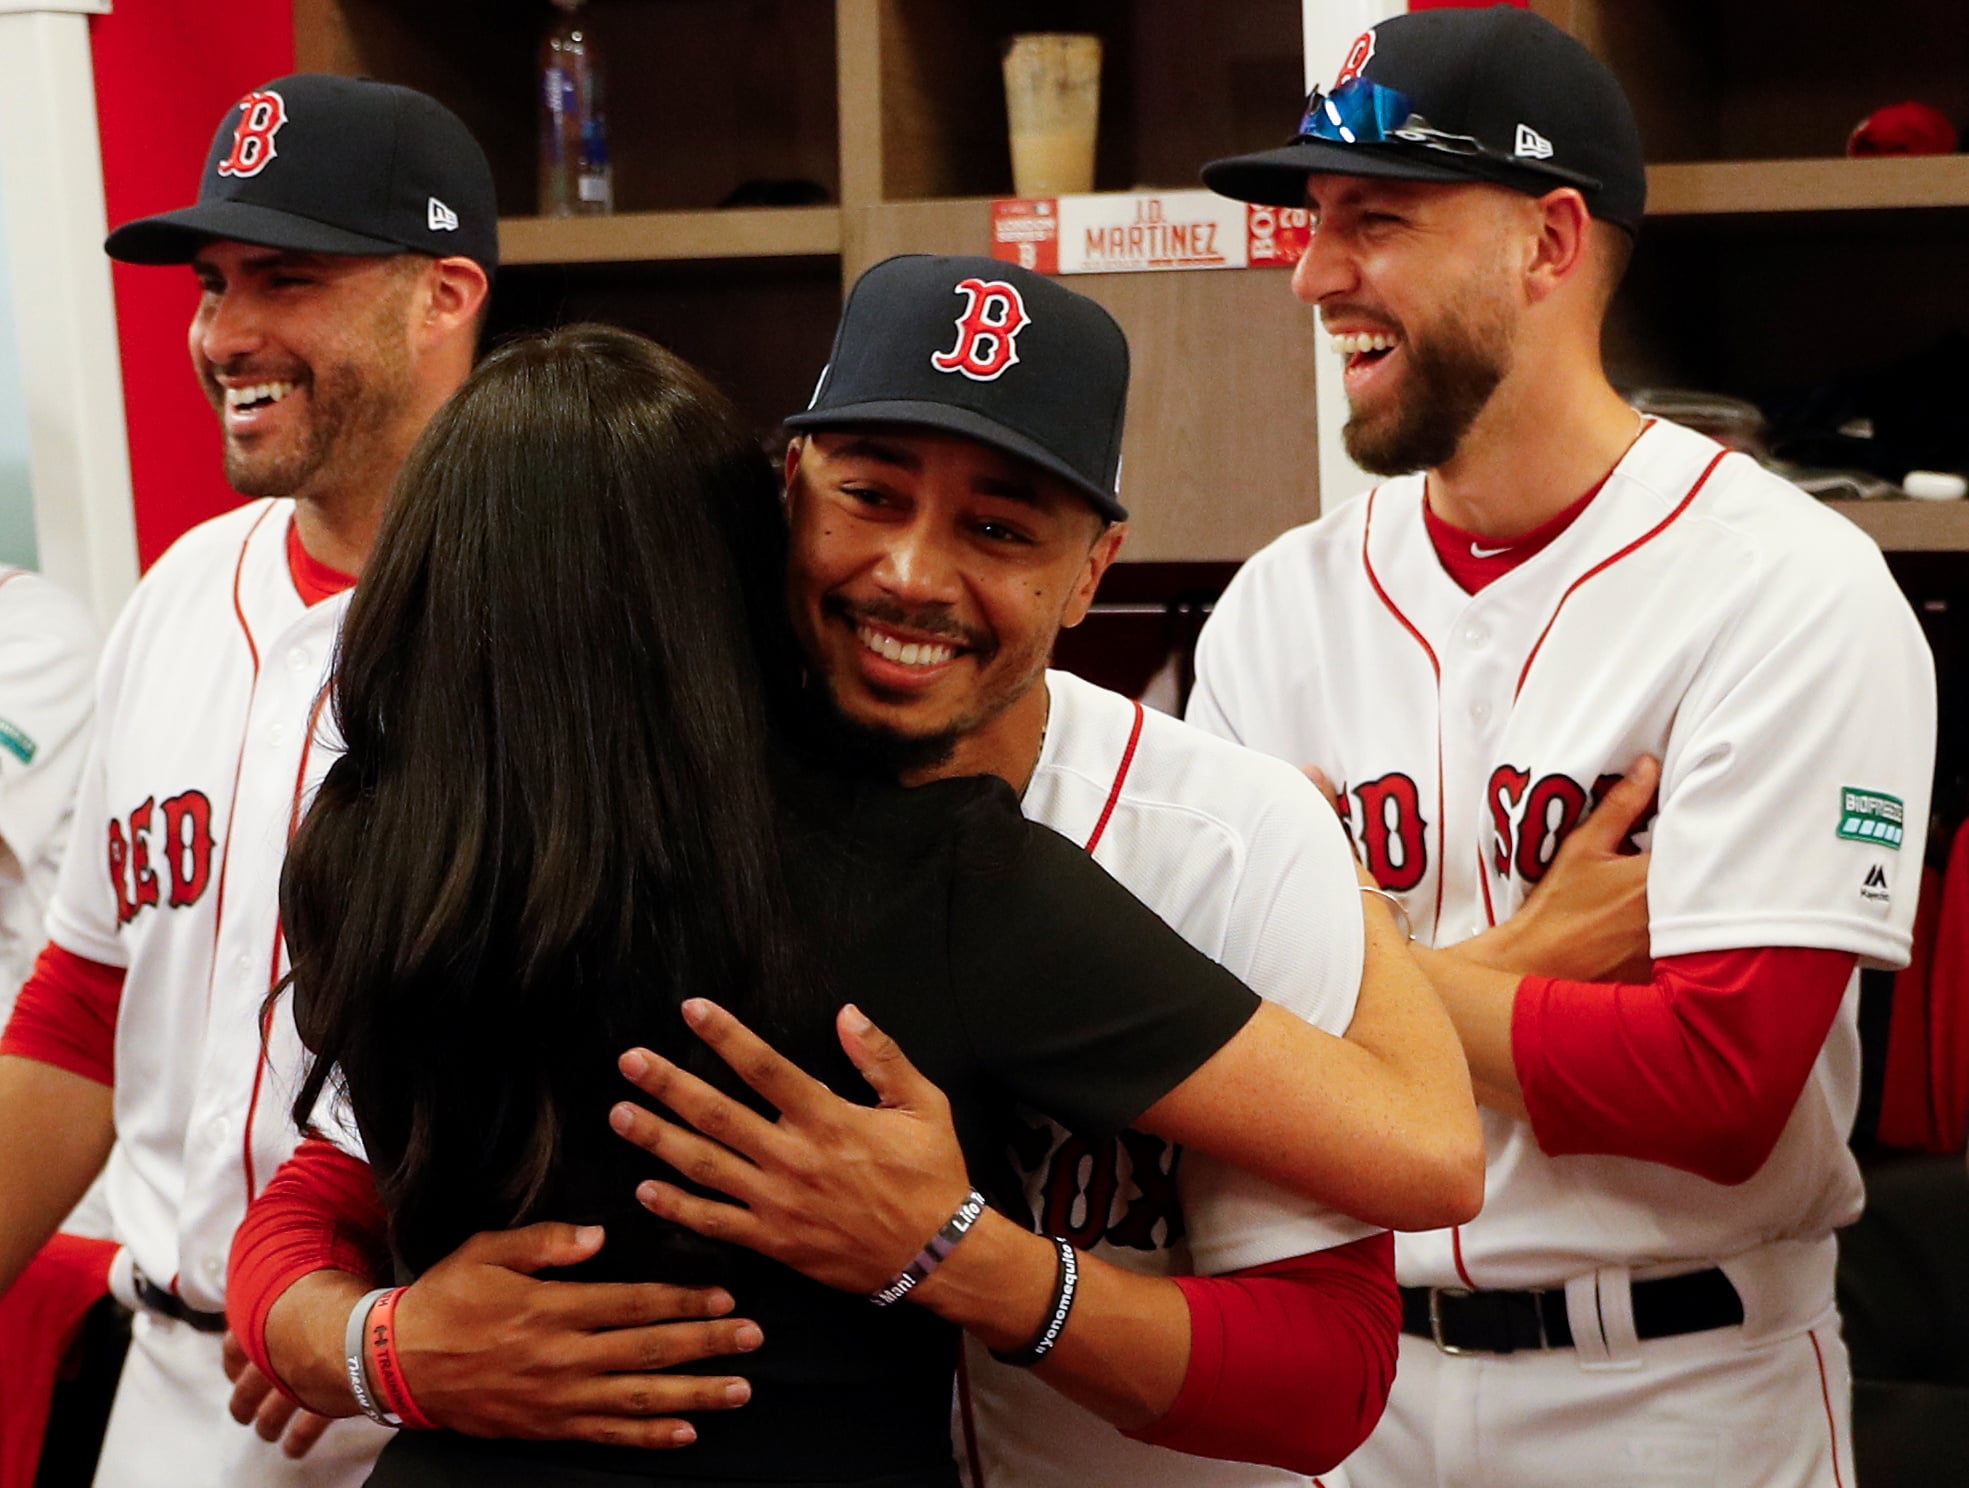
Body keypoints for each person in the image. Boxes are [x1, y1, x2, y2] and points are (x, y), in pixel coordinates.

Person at [230, 258, 1642, 1486]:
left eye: (998, 527)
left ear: (1093, 573)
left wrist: (967, 1256)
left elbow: (1335, 1361)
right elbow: (322, 1183)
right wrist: (378, 1346)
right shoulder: (675, 826)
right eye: (869, 492)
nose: (910, 571)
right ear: (773, 503)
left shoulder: (1222, 826)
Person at [1192, 8, 1937, 1486]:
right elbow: (1193, 1052)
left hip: (1677, 1395)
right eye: (1313, 221)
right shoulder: (1277, 607)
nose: (1314, 272)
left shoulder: (1789, 587)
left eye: (1375, 219)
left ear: (1546, 244)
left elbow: (1719, 1089)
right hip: (1348, 1391)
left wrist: (1329, 991)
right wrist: (1528, 958)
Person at [0, 73, 495, 1487]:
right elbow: (86, 1005)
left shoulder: (563, 618)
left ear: (443, 294)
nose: (225, 333)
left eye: (287, 278)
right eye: (215, 282)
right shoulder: (177, 596)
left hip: (427, 1396)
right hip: (166, 1376)